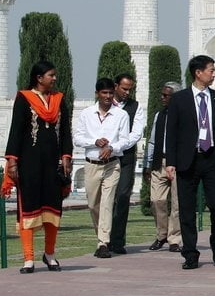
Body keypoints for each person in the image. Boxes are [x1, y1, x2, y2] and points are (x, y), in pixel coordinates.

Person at [4, 61, 72, 273]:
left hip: (52, 164)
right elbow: (16, 130)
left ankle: (50, 254)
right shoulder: (24, 99)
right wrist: (12, 161)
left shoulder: (59, 100)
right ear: (39, 77)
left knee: (52, 209)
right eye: (50, 75)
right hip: (29, 164)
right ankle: (28, 258)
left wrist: (66, 156)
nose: (54, 79)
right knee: (29, 209)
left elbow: (66, 132)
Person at [165, 55, 215, 270]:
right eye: (211, 70)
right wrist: (170, 162)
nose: (214, 74)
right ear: (198, 72)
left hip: (212, 158)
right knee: (187, 209)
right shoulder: (179, 99)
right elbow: (172, 132)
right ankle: (190, 253)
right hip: (188, 160)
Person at [73, 77, 127, 259]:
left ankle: (103, 242)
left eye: (111, 93)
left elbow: (125, 140)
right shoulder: (86, 113)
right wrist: (94, 142)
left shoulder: (121, 115)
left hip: (112, 165)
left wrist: (111, 147)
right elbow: (78, 138)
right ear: (97, 93)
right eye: (104, 93)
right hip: (91, 165)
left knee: (106, 204)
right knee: (93, 204)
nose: (107, 96)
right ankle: (102, 236)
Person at [109, 72, 146, 255]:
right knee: (105, 200)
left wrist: (117, 146)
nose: (126, 93)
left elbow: (136, 133)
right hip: (106, 157)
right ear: (116, 86)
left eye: (129, 89)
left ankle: (117, 240)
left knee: (122, 197)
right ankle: (104, 238)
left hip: (125, 156)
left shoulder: (135, 107)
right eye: (124, 89)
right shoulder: (104, 103)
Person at [145, 81, 182, 252]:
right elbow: (152, 140)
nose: (162, 98)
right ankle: (161, 234)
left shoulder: (184, 115)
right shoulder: (160, 115)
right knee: (157, 200)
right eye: (162, 94)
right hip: (160, 161)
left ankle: (174, 238)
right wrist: (148, 164)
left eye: (166, 95)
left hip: (178, 163)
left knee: (176, 203)